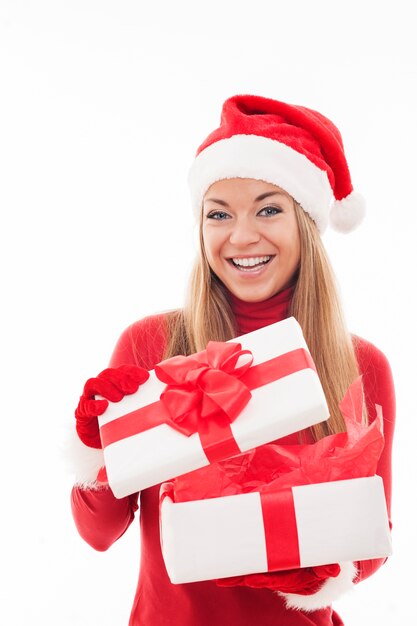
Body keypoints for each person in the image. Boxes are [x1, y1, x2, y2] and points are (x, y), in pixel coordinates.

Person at [70, 94, 395, 626]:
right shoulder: (151, 343)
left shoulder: (360, 363)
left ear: (306, 225)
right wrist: (100, 452)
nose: (241, 237)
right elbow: (99, 534)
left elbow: (370, 547)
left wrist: (291, 563)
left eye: (269, 208)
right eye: (218, 214)